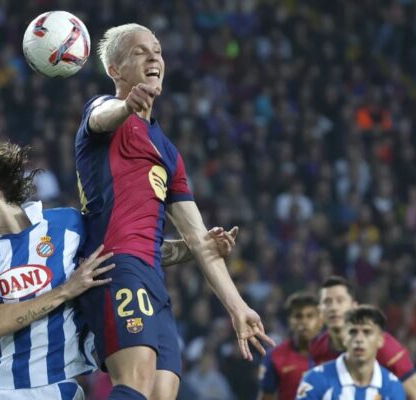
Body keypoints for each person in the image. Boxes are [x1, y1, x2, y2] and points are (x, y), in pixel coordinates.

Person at [0, 138, 235, 400]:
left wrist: (197, 248)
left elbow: (128, 251)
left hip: (63, 389)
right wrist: (66, 290)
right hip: (3, 391)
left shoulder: (68, 224)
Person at [74, 23, 273, 399]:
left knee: (163, 393)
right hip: (116, 267)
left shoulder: (167, 152)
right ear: (115, 70)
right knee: (135, 380)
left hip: (153, 280)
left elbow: (201, 242)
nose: (153, 57)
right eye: (139, 51)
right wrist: (126, 105)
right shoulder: (102, 112)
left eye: (158, 50)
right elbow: (102, 115)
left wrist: (237, 307)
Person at [312, 276, 416, 399]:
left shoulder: (384, 347)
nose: (333, 308)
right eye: (327, 302)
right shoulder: (317, 349)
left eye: (340, 301)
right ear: (320, 311)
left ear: (354, 306)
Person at [297, 305, 406, 399]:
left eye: (367, 332)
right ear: (344, 338)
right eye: (353, 332)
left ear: (380, 340)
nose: (359, 339)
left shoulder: (392, 387)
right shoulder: (315, 380)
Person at [258, 292, 322, 400]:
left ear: (320, 320)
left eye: (310, 316)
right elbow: (266, 396)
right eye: (298, 316)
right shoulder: (275, 357)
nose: (304, 321)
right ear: (290, 321)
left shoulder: (335, 353)